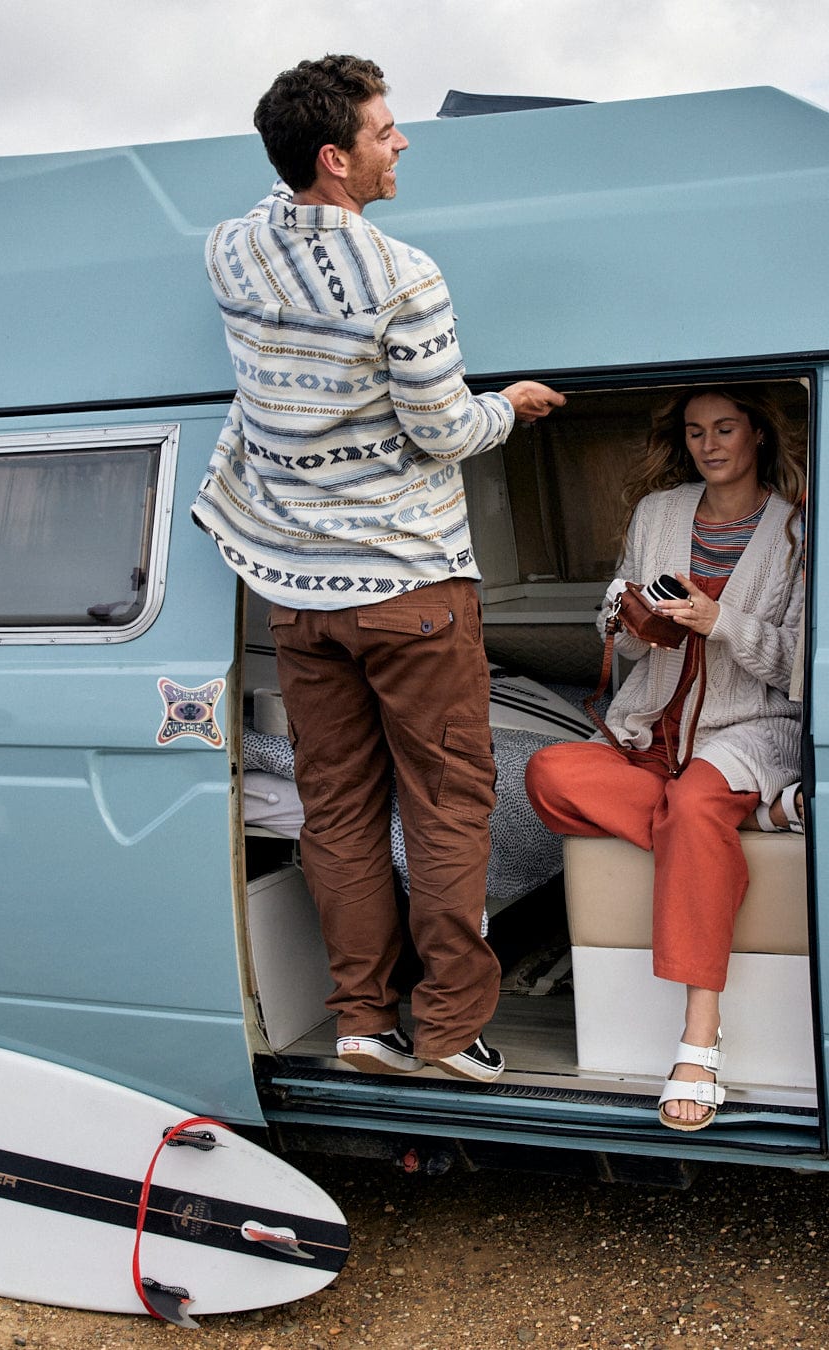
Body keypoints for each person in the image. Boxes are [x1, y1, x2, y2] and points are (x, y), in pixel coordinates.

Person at [192, 54, 564, 1080]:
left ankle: (360, 1022)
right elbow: (443, 427)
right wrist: (514, 407)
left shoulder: (229, 252)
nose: (402, 142)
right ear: (335, 157)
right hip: (409, 589)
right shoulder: (405, 275)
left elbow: (276, 211)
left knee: (340, 809)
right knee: (448, 807)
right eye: (385, 131)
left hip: (297, 596)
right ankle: (447, 1033)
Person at [525, 384, 805, 1130]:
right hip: (649, 730)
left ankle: (699, 1036)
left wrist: (722, 621)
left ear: (757, 435)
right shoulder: (659, 513)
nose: (709, 444)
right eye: (695, 432)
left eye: (724, 429)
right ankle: (743, 826)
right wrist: (626, 616)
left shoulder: (797, 531)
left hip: (744, 730)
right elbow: (612, 605)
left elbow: (801, 665)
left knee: (696, 799)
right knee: (548, 773)